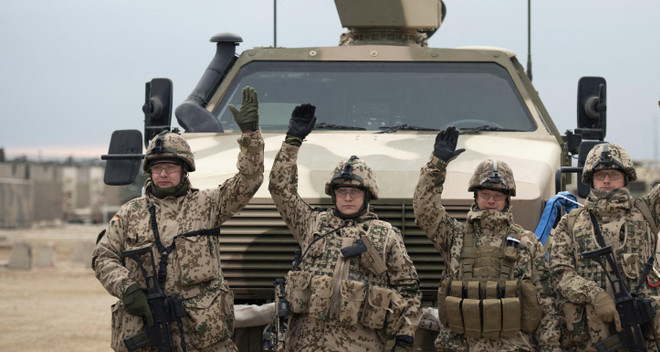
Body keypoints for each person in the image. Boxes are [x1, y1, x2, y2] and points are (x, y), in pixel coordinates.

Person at [92, 86, 265, 352]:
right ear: (149, 172)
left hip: (201, 333)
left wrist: (250, 136)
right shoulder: (130, 212)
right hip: (147, 326)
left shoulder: (208, 204)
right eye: (157, 168)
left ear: (184, 171)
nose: (163, 174)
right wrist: (127, 288)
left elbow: (248, 181)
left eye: (170, 167)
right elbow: (103, 256)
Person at [548, 86, 660, 352]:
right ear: (590, 180)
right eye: (600, 174)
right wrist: (594, 295)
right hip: (593, 339)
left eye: (614, 174)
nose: (607, 179)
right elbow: (559, 273)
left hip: (646, 336)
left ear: (626, 178)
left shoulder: (646, 212)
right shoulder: (571, 223)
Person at [268, 103, 421, 352]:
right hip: (306, 343)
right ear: (334, 194)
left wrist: (404, 338)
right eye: (342, 191)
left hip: (360, 345)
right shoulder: (311, 224)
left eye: (354, 191)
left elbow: (409, 290)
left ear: (367, 194)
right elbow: (280, 189)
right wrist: (292, 142)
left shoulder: (386, 235)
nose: (348, 198)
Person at [413, 125, 561, 352]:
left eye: (498, 196)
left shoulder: (527, 243)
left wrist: (550, 348)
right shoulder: (455, 236)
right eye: (485, 195)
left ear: (507, 200)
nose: (491, 201)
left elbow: (546, 302)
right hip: (460, 346)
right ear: (475, 196)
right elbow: (425, 211)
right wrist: (436, 166)